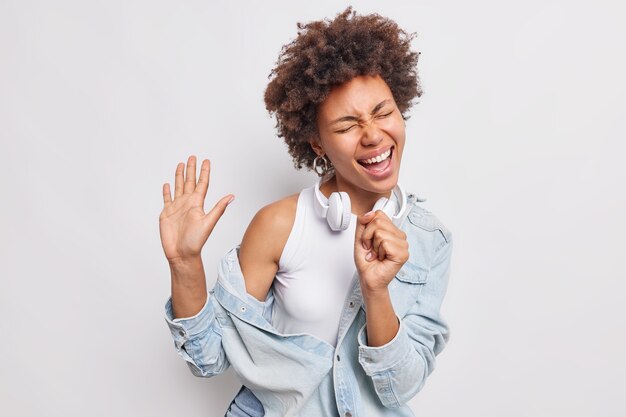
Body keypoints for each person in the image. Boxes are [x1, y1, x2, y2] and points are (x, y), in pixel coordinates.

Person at [159, 7, 453, 417]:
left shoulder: (428, 240)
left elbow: (401, 386)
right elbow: (209, 358)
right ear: (317, 144)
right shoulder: (280, 224)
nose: (373, 135)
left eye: (384, 113)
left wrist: (376, 291)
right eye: (348, 125)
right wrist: (185, 263)